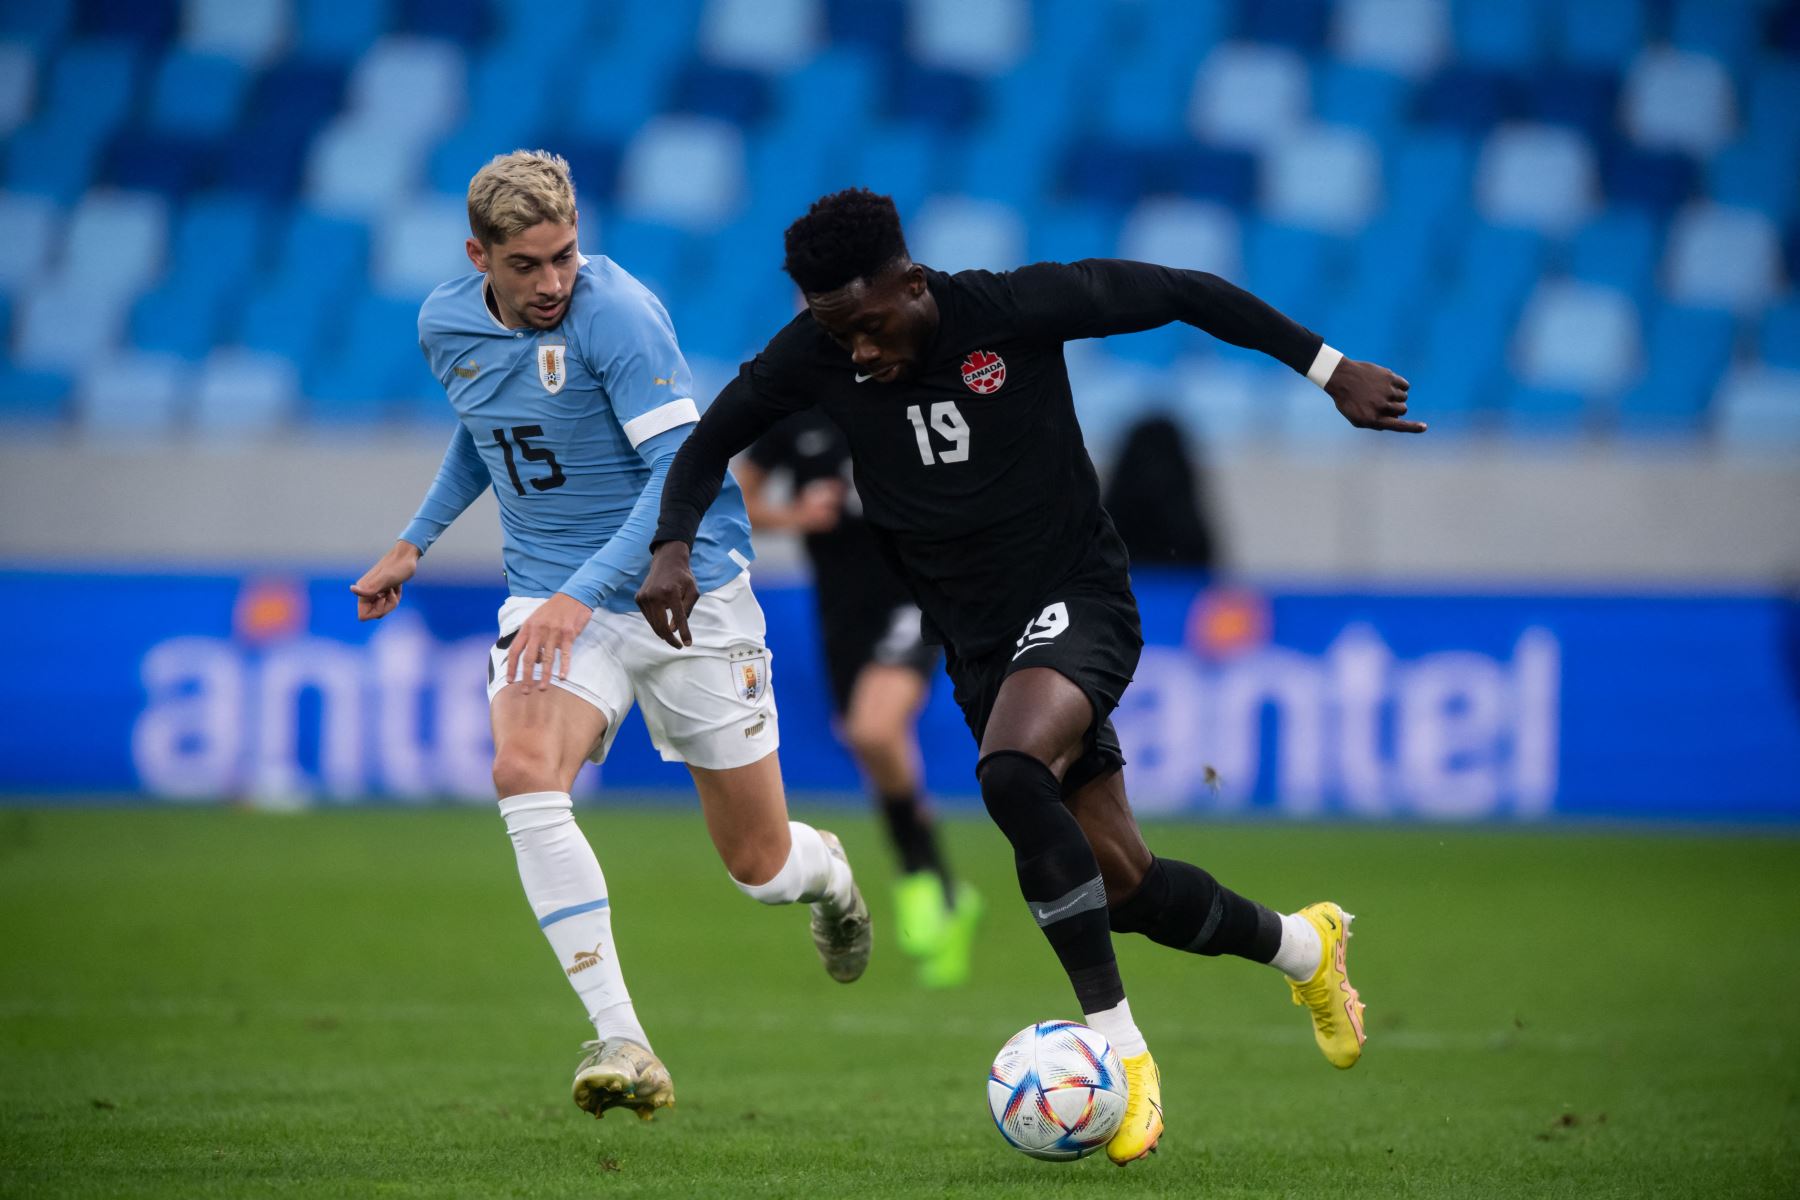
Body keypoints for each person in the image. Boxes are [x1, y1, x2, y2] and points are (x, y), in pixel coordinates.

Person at [638, 188, 1422, 1165]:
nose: (858, 354)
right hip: (975, 642)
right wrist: (672, 543)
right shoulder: (821, 351)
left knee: (1011, 775)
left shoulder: (1013, 311)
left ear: (911, 283)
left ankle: (1124, 1056)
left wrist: (1328, 367)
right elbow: (708, 443)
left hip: (1077, 594)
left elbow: (1179, 290)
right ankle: (1305, 948)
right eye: (834, 334)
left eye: (870, 327)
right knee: (1122, 886)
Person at [349, 153, 871, 1125]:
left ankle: (831, 879)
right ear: (480, 257)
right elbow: (488, 425)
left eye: (565, 255)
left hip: (688, 588)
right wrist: (415, 540)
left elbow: (677, 472)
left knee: (759, 868)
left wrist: (581, 597)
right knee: (523, 772)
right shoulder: (444, 323)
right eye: (528, 265)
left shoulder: (620, 314)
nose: (552, 282)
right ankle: (622, 1036)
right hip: (557, 593)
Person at [737, 413, 983, 987]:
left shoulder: (906, 397)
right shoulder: (793, 417)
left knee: (875, 729)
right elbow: (737, 501)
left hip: (913, 597)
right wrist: (798, 515)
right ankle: (948, 893)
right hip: (841, 615)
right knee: (872, 742)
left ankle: (919, 878)